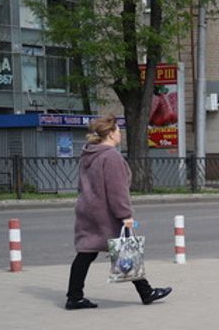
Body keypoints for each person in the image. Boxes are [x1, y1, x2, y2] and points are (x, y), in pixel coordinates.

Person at [65, 115, 172, 310]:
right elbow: (117, 190)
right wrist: (126, 215)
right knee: (127, 249)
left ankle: (74, 296)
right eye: (117, 131)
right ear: (111, 134)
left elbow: (82, 185)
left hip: (87, 209)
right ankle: (146, 293)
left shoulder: (88, 155)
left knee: (85, 253)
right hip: (107, 213)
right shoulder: (111, 156)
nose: (120, 134)